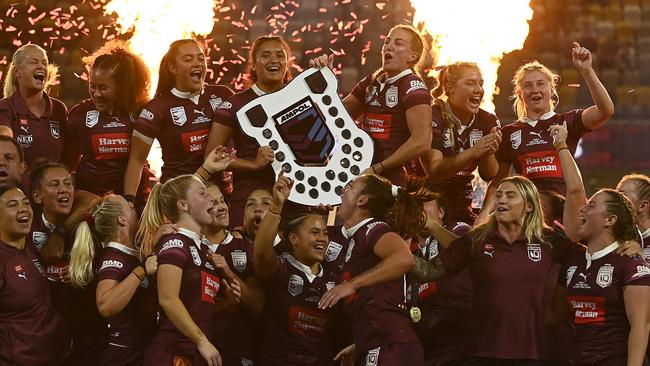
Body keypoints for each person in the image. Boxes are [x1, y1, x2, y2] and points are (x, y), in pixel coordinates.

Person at [411, 175, 584, 365]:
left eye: (510, 195)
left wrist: (623, 243)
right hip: (479, 352)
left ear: (529, 206)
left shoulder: (549, 241)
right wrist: (396, 250)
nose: (501, 199)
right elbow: (428, 271)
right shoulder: (477, 239)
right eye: (499, 195)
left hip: (531, 353)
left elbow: (591, 256)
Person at [478, 42, 614, 223]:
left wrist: (587, 72)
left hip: (567, 213)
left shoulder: (567, 121)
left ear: (551, 90)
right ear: (520, 93)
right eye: (528, 85)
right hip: (529, 216)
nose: (535, 89)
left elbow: (606, 110)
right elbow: (498, 182)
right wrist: (483, 215)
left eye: (540, 84)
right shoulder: (509, 133)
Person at [552, 123, 650, 365]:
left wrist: (562, 145)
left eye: (593, 205)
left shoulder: (631, 265)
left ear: (611, 219)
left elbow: (641, 324)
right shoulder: (573, 262)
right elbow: (555, 317)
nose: (583, 208)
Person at [318, 174, 425, 366]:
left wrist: (351, 284)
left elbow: (404, 258)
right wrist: (361, 343)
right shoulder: (358, 235)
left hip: (390, 344)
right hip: (381, 342)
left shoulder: (374, 229)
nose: (342, 191)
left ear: (362, 200)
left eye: (350, 187)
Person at [311, 24, 432, 186]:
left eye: (399, 43)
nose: (389, 46)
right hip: (367, 173)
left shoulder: (413, 85)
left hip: (396, 180)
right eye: (387, 42)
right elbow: (335, 118)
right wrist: (325, 84)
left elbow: (422, 142)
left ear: (412, 56)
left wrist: (379, 168)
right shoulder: (371, 83)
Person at [139, 174, 240, 366]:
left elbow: (195, 308)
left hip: (196, 352)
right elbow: (168, 298)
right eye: (202, 194)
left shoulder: (203, 249)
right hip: (173, 352)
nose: (211, 198)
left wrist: (226, 304)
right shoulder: (175, 242)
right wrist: (201, 340)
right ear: (183, 205)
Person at [123, 39, 234, 203]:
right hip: (179, 197)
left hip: (220, 195)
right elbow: (137, 161)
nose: (197, 63)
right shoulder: (156, 109)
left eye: (201, 58)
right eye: (188, 59)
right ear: (173, 68)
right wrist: (129, 201)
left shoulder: (224, 95)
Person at [252, 172, 340, 365]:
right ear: (293, 239)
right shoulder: (281, 268)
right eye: (314, 233)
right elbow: (260, 252)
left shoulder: (335, 278)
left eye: (325, 233)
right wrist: (276, 206)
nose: (322, 239)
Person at [205, 35, 294, 226]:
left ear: (287, 63)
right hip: (248, 196)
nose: (274, 60)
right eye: (266, 55)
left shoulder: (300, 99)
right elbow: (212, 156)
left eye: (280, 55)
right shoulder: (234, 104)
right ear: (253, 64)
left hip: (295, 197)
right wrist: (253, 164)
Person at [28, 160, 107, 365]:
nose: (64, 190)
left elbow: (94, 198)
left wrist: (84, 274)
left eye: (68, 184)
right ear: (37, 196)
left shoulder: (90, 226)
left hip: (86, 334)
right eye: (54, 185)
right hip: (41, 335)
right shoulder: (26, 226)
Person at [66, 193, 158, 366]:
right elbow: (105, 305)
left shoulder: (129, 253)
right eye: (128, 206)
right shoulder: (113, 258)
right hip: (124, 355)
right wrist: (141, 271)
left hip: (138, 350)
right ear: (122, 220)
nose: (133, 207)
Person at [62, 41, 151, 202]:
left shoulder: (142, 113)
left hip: (135, 202)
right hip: (91, 202)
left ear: (122, 87)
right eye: (92, 86)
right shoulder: (79, 115)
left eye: (103, 88)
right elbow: (67, 164)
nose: (96, 94)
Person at [421, 62, 502, 225]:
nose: (478, 89)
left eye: (480, 83)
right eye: (470, 83)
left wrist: (488, 151)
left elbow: (489, 175)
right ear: (450, 88)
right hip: (426, 202)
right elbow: (434, 171)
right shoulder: (432, 115)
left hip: (463, 205)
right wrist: (474, 151)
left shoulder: (488, 120)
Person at [0, 183, 70, 365]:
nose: (23, 209)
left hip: (54, 356)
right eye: (12, 205)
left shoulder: (30, 246)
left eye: (25, 203)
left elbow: (85, 199)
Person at [409, 190, 473, 366]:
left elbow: (468, 253)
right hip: (425, 336)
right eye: (413, 204)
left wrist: (433, 227)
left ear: (441, 212)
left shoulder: (458, 229)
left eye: (425, 202)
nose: (418, 208)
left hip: (461, 328)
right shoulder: (408, 249)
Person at [204, 183, 264, 365]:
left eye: (222, 200)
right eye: (213, 203)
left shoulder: (245, 247)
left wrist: (229, 273)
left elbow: (257, 305)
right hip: (198, 347)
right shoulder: (188, 246)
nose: (222, 207)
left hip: (237, 351)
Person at [0, 44, 68, 167]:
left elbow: (69, 155)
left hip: (53, 184)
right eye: (34, 62)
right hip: (18, 185)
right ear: (17, 72)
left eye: (44, 63)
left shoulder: (59, 109)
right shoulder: (5, 107)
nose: (41, 67)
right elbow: (4, 146)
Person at [616, 174, 650, 259]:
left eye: (622, 195)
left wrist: (641, 261)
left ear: (642, 206)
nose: (613, 200)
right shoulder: (615, 236)